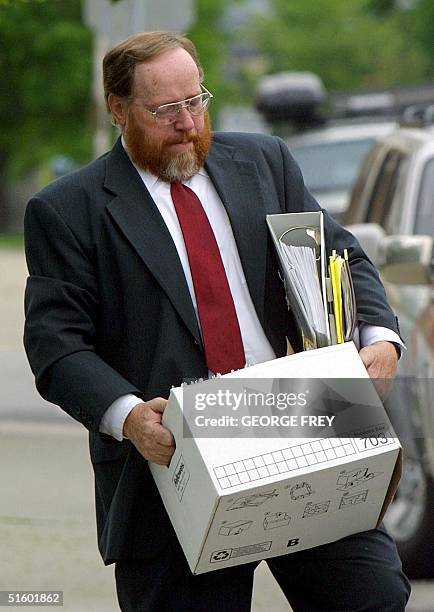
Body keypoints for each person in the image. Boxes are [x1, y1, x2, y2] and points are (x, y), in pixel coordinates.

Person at [24, 31, 410, 611]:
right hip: (172, 459)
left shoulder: (264, 161)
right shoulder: (67, 211)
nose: (186, 123)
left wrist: (380, 337)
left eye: (195, 101)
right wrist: (128, 417)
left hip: (297, 422)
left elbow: (340, 253)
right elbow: (56, 348)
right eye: (165, 110)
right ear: (118, 109)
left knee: (373, 596)